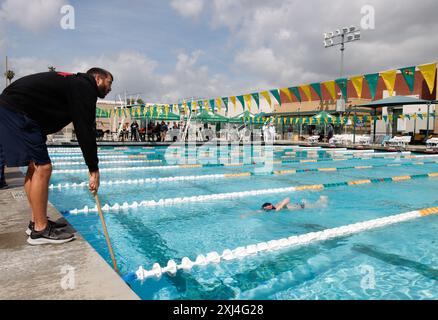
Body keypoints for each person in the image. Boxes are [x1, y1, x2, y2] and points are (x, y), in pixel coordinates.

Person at [0, 68, 112, 245]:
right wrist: (93, 169)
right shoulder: (85, 86)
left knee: (34, 166)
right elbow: (85, 129)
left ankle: (36, 221)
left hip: (14, 108)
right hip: (17, 110)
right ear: (97, 79)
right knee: (43, 167)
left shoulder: (74, 84)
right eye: (109, 82)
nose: (110, 88)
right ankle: (40, 230)